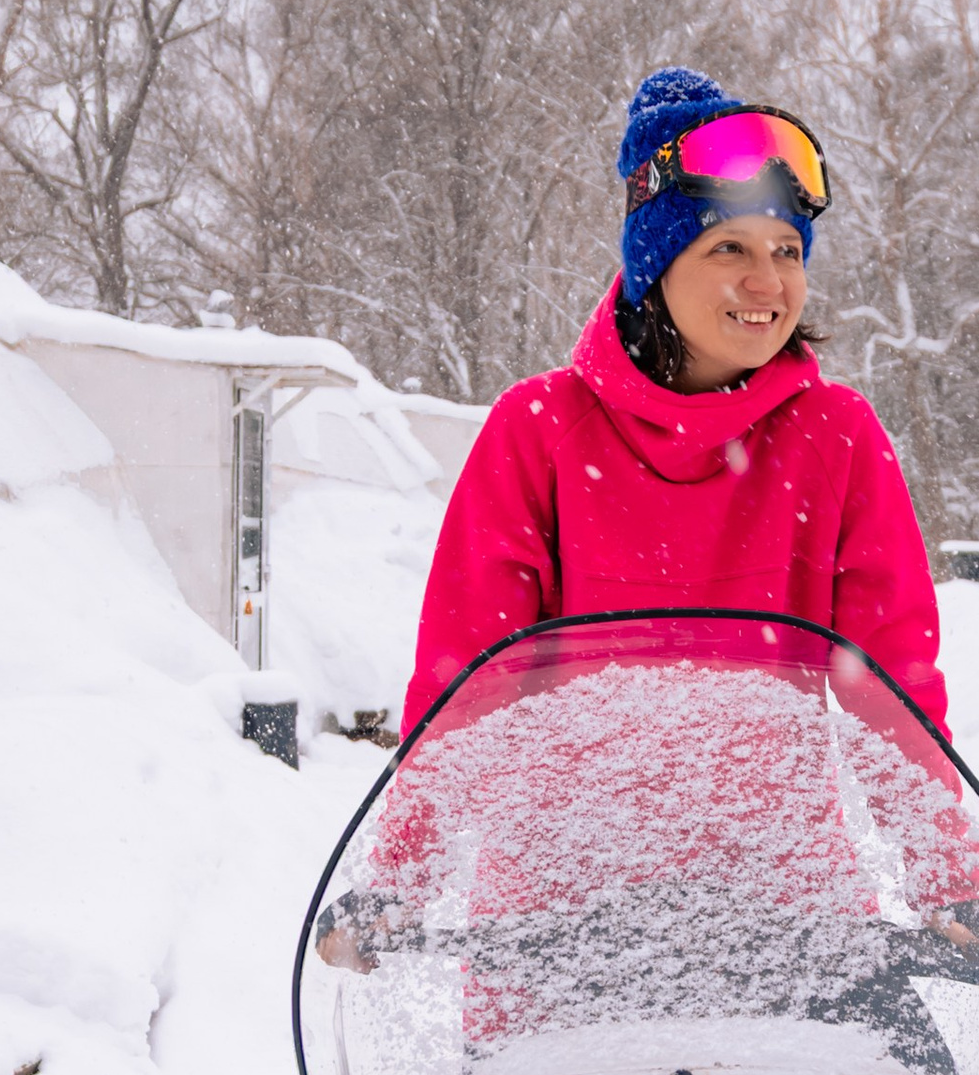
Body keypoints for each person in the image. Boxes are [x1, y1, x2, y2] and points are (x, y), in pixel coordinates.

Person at [400, 66, 948, 739]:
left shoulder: (836, 435)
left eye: (787, 251)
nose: (767, 281)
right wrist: (410, 843)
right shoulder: (540, 430)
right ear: (655, 268)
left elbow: (901, 697)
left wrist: (939, 844)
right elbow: (462, 688)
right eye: (729, 248)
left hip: (775, 846)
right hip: (574, 842)